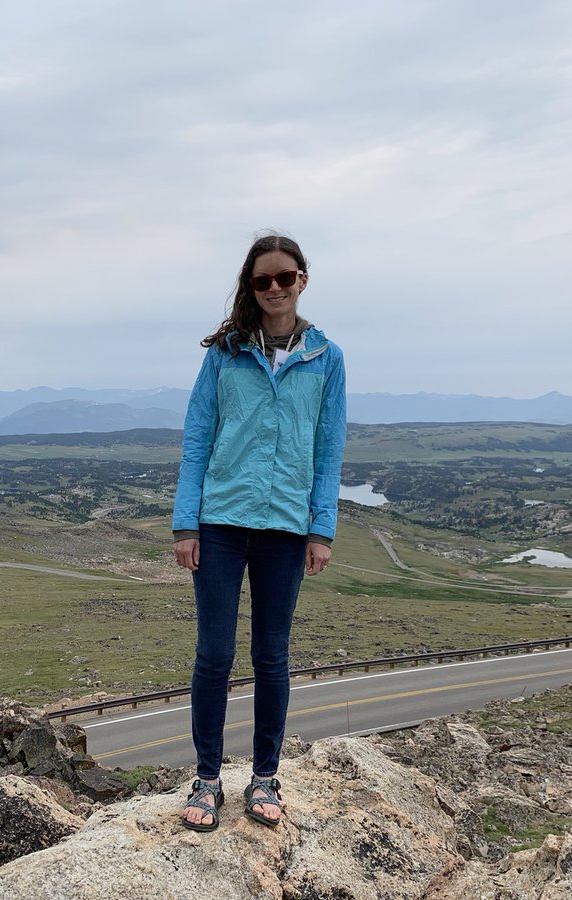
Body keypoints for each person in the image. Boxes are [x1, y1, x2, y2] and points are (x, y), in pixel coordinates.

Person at [172, 232, 347, 832]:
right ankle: (206, 779)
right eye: (262, 279)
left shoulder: (327, 358)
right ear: (251, 286)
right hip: (219, 523)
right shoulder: (225, 352)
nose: (274, 288)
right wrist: (184, 522)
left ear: (303, 280)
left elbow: (329, 449)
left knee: (271, 656)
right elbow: (198, 439)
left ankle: (265, 776)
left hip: (284, 528)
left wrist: (320, 530)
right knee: (214, 655)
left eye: (285, 277)